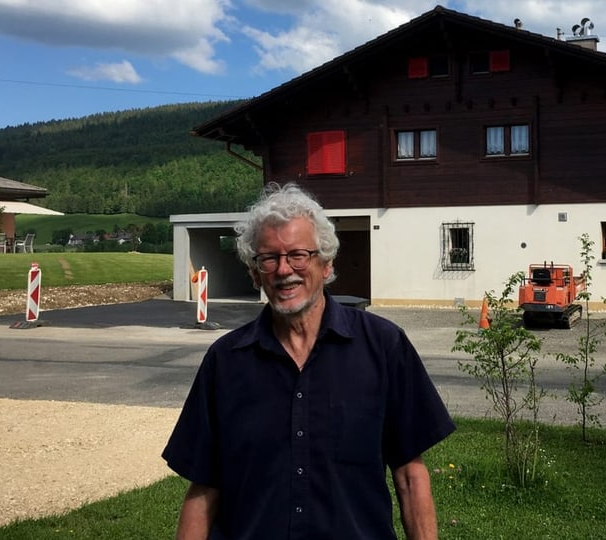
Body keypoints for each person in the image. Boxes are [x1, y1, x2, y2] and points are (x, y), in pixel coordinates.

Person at [163, 182, 456, 539]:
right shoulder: (225, 362)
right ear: (255, 272)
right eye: (269, 258)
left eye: (298, 254)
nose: (284, 270)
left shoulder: (384, 346)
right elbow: (204, 488)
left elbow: (410, 476)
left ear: (326, 263)